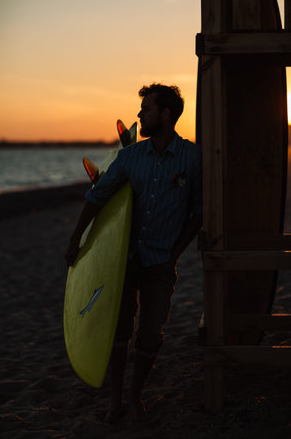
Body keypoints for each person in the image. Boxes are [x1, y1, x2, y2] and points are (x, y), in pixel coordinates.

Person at [65, 83, 202, 423]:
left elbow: (198, 213)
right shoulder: (130, 156)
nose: (140, 115)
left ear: (166, 114)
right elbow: (97, 197)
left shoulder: (192, 157)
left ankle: (135, 394)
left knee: (151, 335)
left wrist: (175, 253)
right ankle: (115, 402)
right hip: (122, 260)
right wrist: (75, 239)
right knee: (118, 330)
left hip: (160, 261)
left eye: (147, 110)